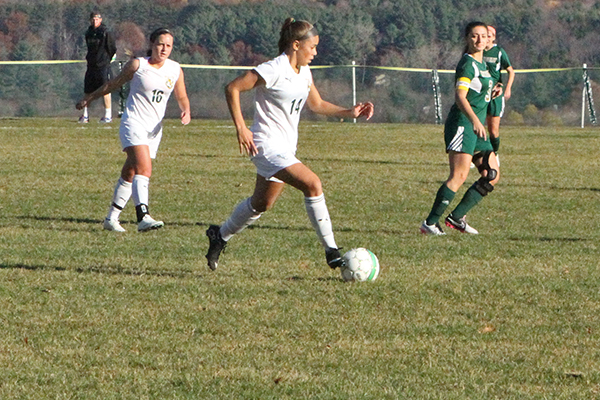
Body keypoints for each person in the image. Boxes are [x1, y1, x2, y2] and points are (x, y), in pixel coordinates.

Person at [205, 18, 374, 271]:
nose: (315, 52)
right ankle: (331, 249)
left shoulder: (304, 71)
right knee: (313, 183)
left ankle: (220, 235)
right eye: (312, 47)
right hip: (265, 144)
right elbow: (233, 88)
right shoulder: (274, 68)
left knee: (261, 203)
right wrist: (241, 128)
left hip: (285, 148)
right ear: (296, 44)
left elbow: (316, 104)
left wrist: (350, 112)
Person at [76, 28, 191, 232]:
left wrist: (186, 110)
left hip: (154, 130)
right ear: (152, 44)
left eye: (168, 46)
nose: (164, 49)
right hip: (133, 123)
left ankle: (111, 219)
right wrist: (89, 98)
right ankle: (143, 216)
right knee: (144, 168)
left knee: (130, 171)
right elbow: (113, 84)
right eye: (160, 44)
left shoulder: (175, 69)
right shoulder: (138, 65)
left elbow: (181, 95)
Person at [420, 21, 501, 235]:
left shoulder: (484, 66)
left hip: (476, 127)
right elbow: (460, 97)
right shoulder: (467, 64)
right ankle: (429, 223)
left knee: (491, 174)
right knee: (459, 176)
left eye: (483, 36)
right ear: (467, 39)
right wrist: (474, 120)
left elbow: (480, 89)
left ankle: (456, 218)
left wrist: (493, 90)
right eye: (474, 36)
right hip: (463, 124)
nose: (480, 40)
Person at [79, 11, 117, 124]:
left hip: (103, 66)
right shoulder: (88, 32)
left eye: (97, 19)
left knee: (105, 90)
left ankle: (107, 116)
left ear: (100, 20)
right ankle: (85, 115)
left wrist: (105, 59)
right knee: (87, 91)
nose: (95, 21)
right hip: (91, 66)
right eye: (93, 19)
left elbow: (112, 48)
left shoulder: (105, 32)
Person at [483, 25, 515, 159]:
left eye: (490, 35)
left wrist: (507, 88)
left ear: (494, 38)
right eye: (485, 35)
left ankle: (494, 155)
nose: (487, 38)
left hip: (495, 94)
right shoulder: (477, 52)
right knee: (474, 127)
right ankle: (473, 156)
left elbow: (511, 71)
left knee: (493, 130)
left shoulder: (499, 52)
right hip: (480, 94)